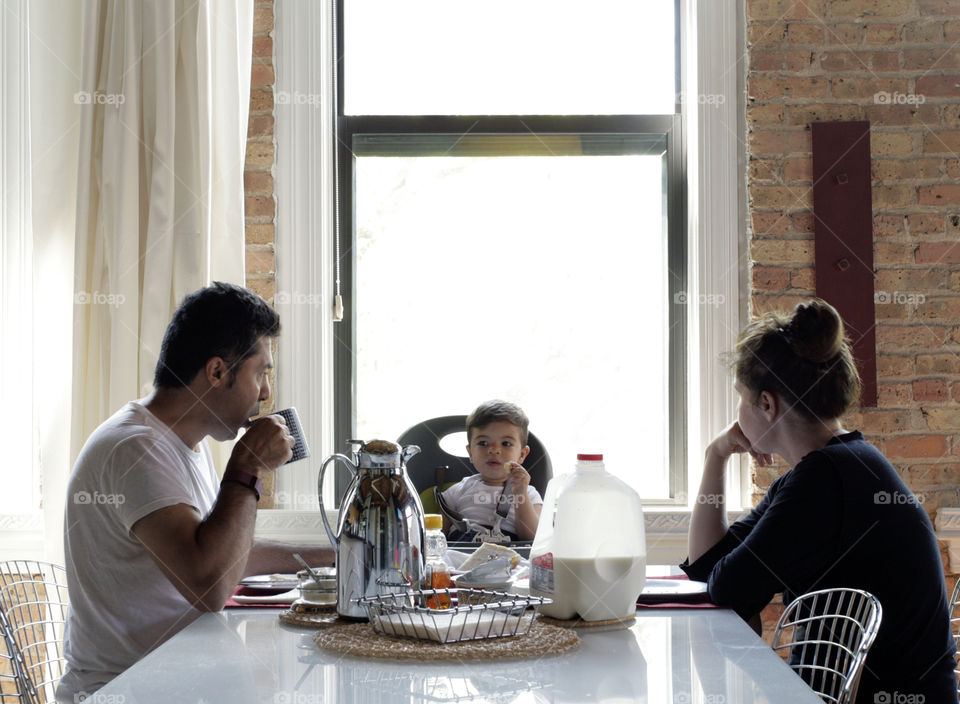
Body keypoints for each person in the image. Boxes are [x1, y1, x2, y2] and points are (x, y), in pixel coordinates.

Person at [57, 282, 333, 702]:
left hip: (177, 682)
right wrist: (247, 467)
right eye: (261, 373)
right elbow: (209, 585)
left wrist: (335, 556)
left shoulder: (184, 443)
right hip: (128, 691)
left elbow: (225, 557)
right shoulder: (135, 448)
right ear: (217, 372)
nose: (265, 393)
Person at [681, 300, 956, 702]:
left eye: (741, 397)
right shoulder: (830, 468)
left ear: (767, 404)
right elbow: (706, 568)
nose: (737, 415)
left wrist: (716, 455)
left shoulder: (826, 479)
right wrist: (716, 455)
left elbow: (728, 589)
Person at [440, 400, 543, 541]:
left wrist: (521, 493)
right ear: (470, 453)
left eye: (506, 443)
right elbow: (435, 536)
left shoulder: (529, 494)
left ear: (522, 455)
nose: (494, 450)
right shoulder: (457, 491)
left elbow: (533, 539)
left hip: (508, 552)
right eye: (483, 443)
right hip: (461, 550)